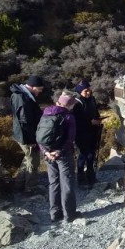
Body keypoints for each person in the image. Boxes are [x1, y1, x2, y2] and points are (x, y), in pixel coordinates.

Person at [38, 91, 78, 222]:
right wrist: (59, 151)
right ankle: (69, 215)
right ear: (69, 105)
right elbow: (70, 138)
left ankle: (54, 214)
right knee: (66, 183)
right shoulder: (68, 116)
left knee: (53, 183)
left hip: (48, 155)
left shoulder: (46, 113)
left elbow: (39, 135)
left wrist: (46, 152)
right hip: (63, 155)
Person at [10, 75, 45, 192]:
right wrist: (31, 140)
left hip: (22, 134)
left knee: (27, 159)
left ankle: (19, 185)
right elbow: (25, 121)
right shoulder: (22, 98)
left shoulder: (22, 95)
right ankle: (31, 188)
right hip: (26, 136)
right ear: (33, 86)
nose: (40, 92)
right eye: (39, 89)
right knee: (33, 161)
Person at [72, 79, 102, 189]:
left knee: (91, 155)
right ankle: (81, 179)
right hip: (81, 134)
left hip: (93, 131)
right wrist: (90, 122)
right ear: (80, 91)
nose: (88, 92)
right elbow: (77, 121)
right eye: (85, 91)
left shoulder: (92, 99)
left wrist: (98, 119)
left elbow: (95, 112)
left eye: (89, 90)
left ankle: (91, 176)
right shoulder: (77, 103)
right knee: (83, 155)